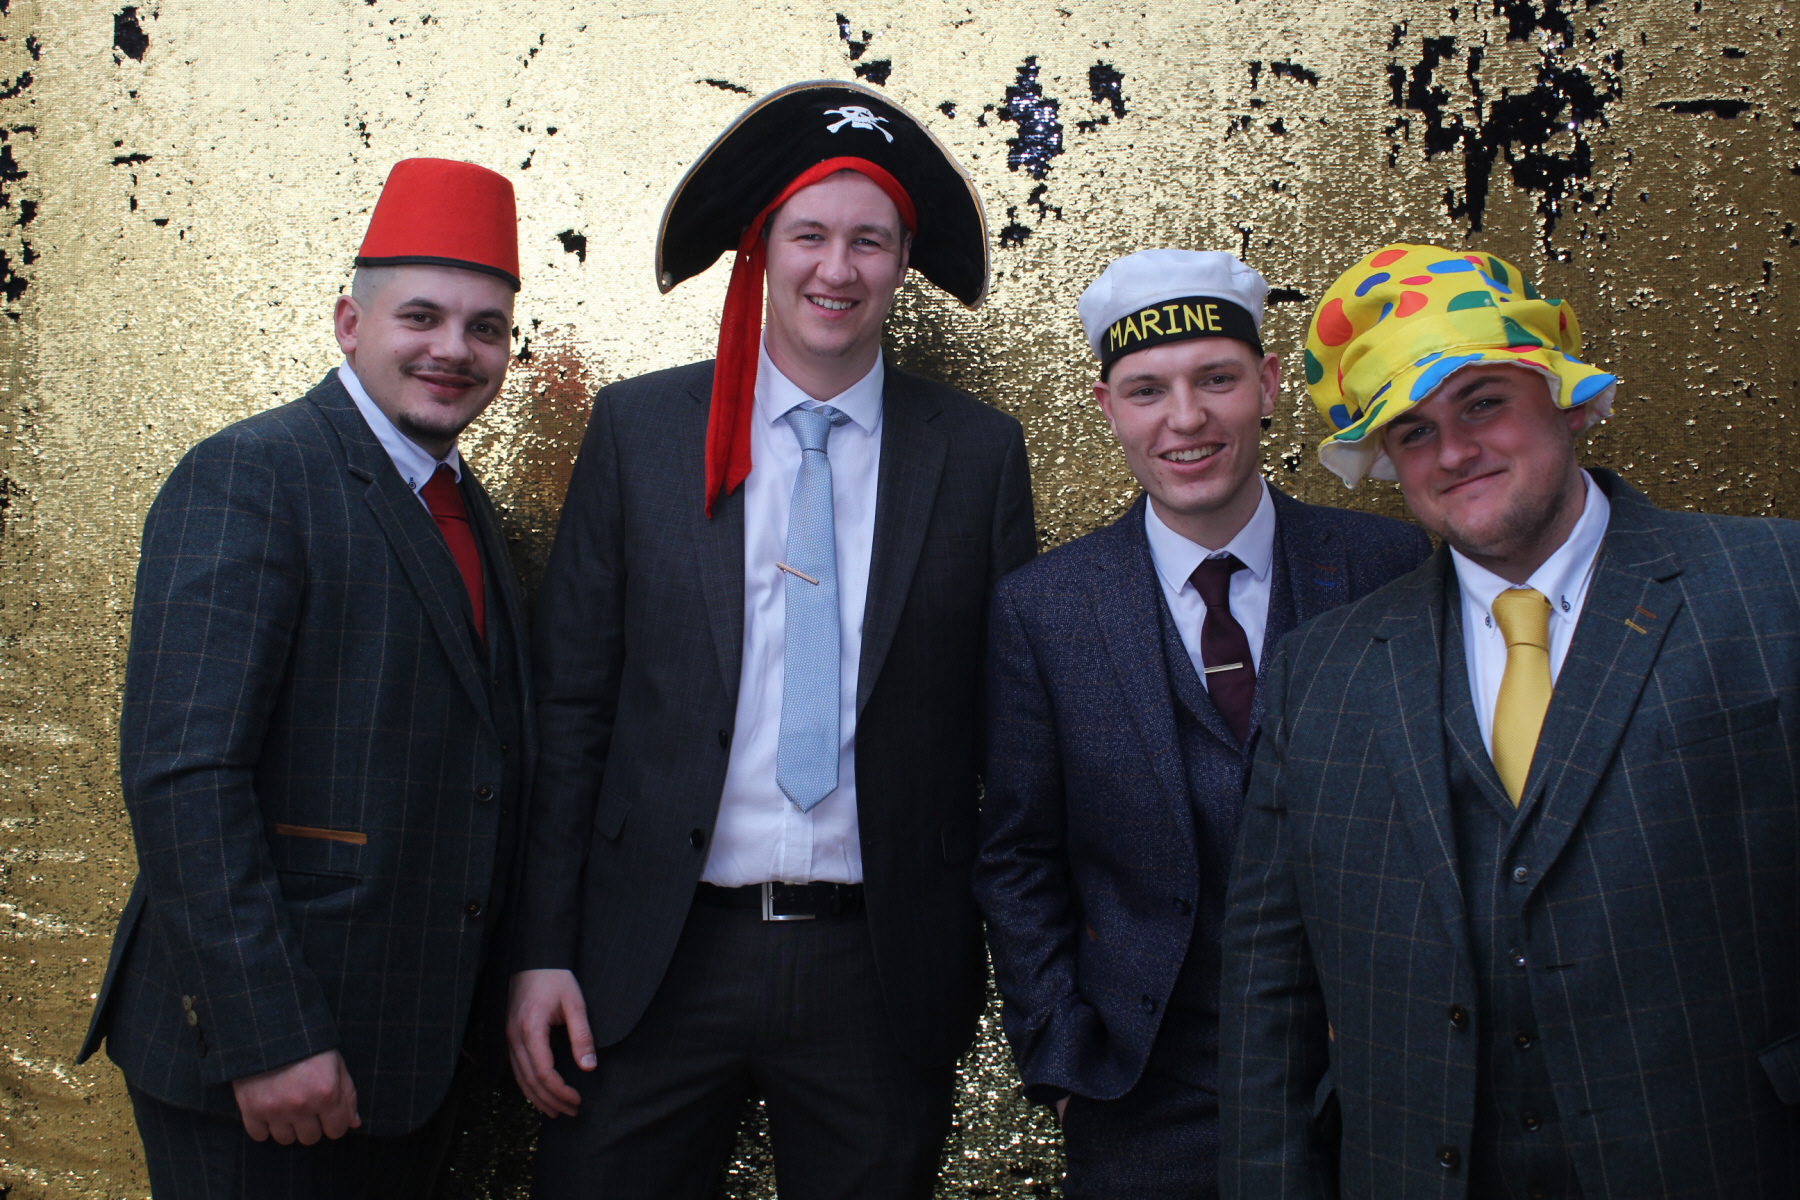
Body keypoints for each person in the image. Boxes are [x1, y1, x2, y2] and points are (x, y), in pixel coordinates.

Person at [505, 81, 1036, 1200]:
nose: (837, 269)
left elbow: (1015, 732)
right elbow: (572, 709)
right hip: (653, 954)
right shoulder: (641, 431)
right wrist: (542, 948)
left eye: (869, 241)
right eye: (809, 235)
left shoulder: (978, 453)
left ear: (903, 261)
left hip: (878, 967)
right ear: (762, 247)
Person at [1220, 243, 1800, 1198]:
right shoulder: (1320, 672)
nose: (1454, 451)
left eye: (1483, 402)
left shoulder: (1776, 586)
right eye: (1413, 430)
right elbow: (1266, 998)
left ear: (1564, 399)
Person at [75, 158, 535, 1199]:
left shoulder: (464, 506)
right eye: (421, 316)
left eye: (485, 328)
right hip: (268, 1065)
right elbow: (184, 776)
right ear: (347, 323)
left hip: (408, 1052)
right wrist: (267, 1035)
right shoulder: (252, 473)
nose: (453, 350)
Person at [973, 249, 1431, 1200]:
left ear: (1268, 385)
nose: (1184, 419)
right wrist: (1064, 1056)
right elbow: (1018, 855)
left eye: (1216, 379)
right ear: (1108, 409)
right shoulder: (1045, 609)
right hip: (1144, 1090)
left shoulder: (1389, 564)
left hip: (1381, 1079)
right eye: (1147, 390)